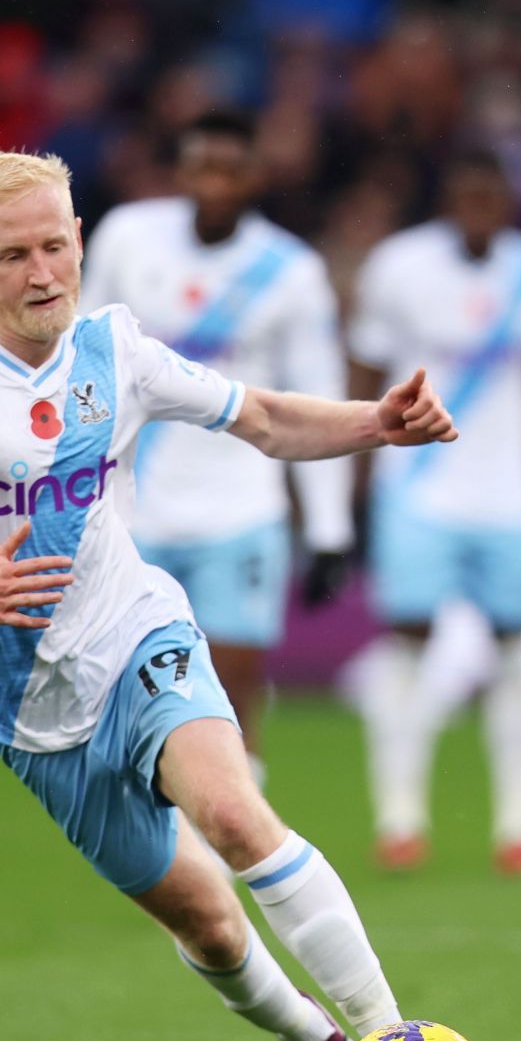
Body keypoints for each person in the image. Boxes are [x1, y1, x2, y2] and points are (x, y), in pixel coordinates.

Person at [0, 151, 456, 1041]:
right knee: (209, 926)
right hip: (28, 706)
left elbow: (268, 419)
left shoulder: (118, 351)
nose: (42, 273)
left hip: (137, 630)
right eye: (14, 255)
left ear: (79, 241)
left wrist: (377, 422)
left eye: (54, 246)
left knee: (237, 815)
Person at [80, 109, 354, 789]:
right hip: (133, 508)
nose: (216, 182)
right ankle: (160, 858)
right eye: (203, 166)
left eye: (231, 169)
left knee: (231, 694)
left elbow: (317, 393)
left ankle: (232, 855)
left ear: (256, 176)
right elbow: (81, 363)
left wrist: (329, 526)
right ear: (182, 171)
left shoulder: (289, 271)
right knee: (122, 700)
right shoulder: (127, 238)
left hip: (242, 511)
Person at [347, 149, 521, 877]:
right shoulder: (398, 267)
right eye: (466, 194)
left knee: (517, 648)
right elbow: (364, 371)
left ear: (510, 202)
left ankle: (519, 829)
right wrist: (351, 480)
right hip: (416, 487)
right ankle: (399, 822)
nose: (478, 207)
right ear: (447, 198)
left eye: (491, 195)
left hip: (509, 493)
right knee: (408, 642)